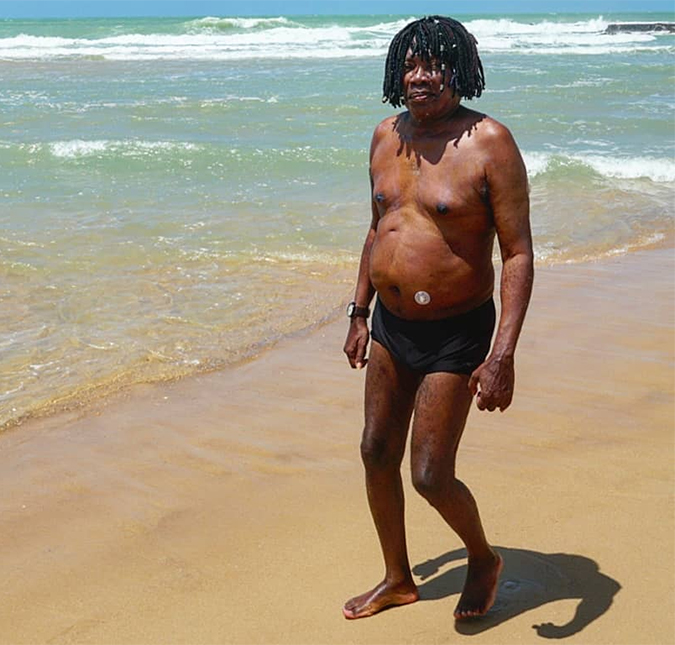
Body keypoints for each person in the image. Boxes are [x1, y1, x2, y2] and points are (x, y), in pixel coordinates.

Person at [342, 16, 534, 621]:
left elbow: (519, 253)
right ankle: (397, 578)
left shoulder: (489, 142)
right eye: (411, 64)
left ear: (461, 72)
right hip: (391, 328)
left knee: (429, 473)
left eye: (436, 65)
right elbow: (380, 228)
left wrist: (501, 355)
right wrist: (358, 310)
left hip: (458, 334)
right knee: (375, 451)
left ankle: (482, 558)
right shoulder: (383, 135)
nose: (421, 77)